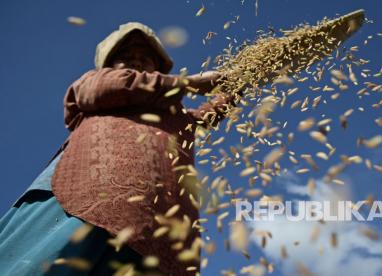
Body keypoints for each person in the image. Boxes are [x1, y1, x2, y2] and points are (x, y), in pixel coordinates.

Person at [0, 22, 241, 276]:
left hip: (154, 226)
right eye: (125, 58)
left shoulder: (175, 116)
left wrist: (242, 81)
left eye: (145, 59)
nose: (136, 62)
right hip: (87, 197)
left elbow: (207, 117)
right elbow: (115, 85)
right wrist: (191, 83)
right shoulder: (96, 82)